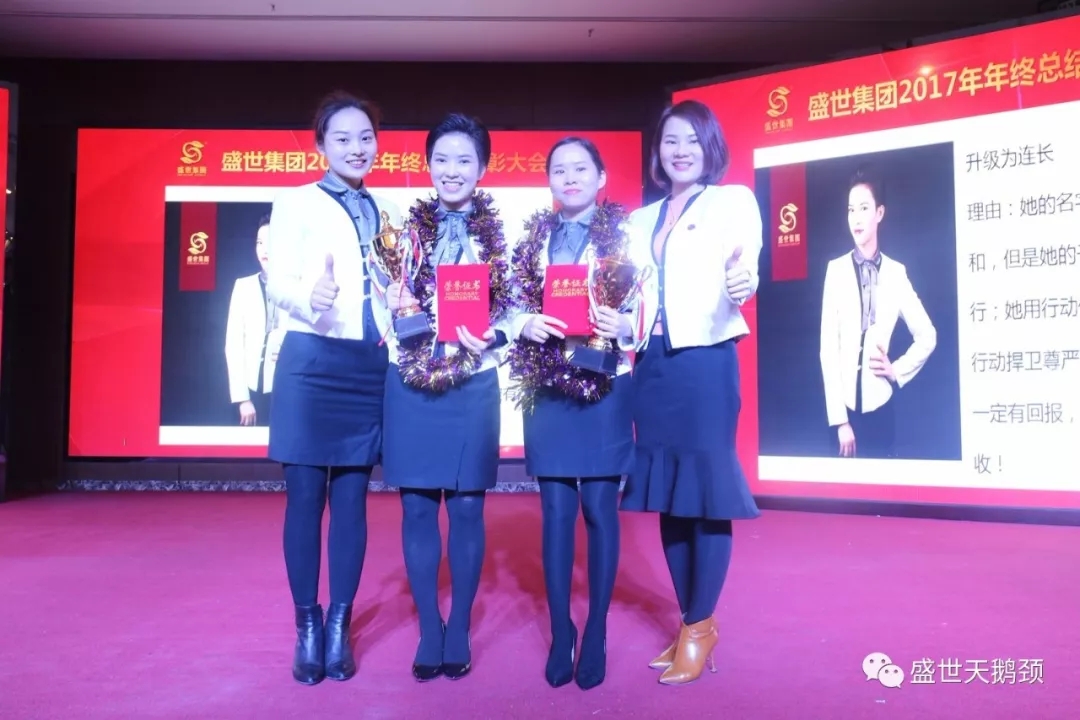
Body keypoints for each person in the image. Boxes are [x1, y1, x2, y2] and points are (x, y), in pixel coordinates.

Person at [620, 100, 762, 686]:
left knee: (706, 493)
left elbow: (745, 267)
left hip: (705, 364)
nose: (680, 151)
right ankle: (689, 624)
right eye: (670, 140)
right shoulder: (638, 220)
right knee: (670, 494)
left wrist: (743, 282)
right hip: (652, 366)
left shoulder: (732, 202)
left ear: (710, 148)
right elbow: (630, 294)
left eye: (692, 141)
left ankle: (701, 627)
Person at [264, 91, 403, 686]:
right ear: (321, 145)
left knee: (352, 500)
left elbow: (396, 283)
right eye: (342, 138)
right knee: (304, 498)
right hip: (311, 360)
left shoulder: (389, 208)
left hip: (368, 365)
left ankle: (340, 623)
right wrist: (309, 296)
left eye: (366, 137)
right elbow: (276, 280)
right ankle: (307, 623)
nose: (356, 147)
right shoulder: (295, 201)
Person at [505, 137, 643, 690]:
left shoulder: (627, 235)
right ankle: (561, 630)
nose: (569, 178)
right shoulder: (531, 238)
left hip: (604, 379)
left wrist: (624, 325)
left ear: (601, 176)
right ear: (549, 181)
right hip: (549, 383)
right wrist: (525, 322)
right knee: (556, 510)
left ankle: (597, 630)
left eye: (580, 168)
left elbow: (648, 301)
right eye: (559, 170)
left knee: (599, 507)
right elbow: (510, 301)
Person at [382, 113, 513, 683]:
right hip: (411, 379)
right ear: (428, 165)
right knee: (416, 507)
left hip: (473, 381)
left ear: (482, 168)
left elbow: (519, 305)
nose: (452, 170)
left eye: (464, 160)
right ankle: (428, 629)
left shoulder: (504, 232)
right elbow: (378, 302)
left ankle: (458, 624)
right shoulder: (403, 232)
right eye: (441, 159)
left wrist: (496, 334)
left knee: (466, 507)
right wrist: (394, 307)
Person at [819, 166, 937, 459]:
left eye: (864, 208)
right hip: (843, 416)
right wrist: (840, 421)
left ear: (879, 213)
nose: (856, 218)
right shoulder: (836, 270)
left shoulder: (896, 273)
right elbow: (828, 349)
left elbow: (927, 336)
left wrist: (897, 370)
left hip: (881, 411)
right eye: (851, 210)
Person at [224, 214, 281, 426]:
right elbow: (233, 345)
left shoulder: (299, 288)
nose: (264, 250)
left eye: (271, 242)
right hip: (252, 391)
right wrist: (243, 398)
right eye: (259, 242)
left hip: (286, 388)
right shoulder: (243, 286)